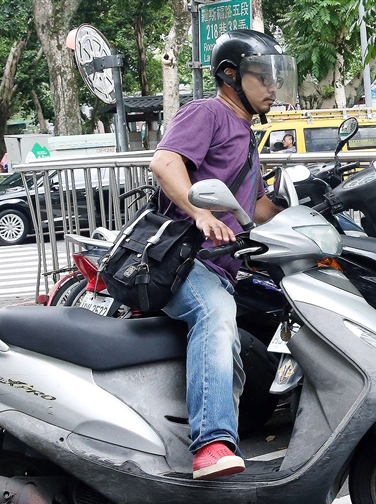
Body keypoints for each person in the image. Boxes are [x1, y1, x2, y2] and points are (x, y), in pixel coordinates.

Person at [149, 30, 297, 480]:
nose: (272, 88)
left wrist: (302, 197)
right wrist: (197, 212)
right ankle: (211, 445)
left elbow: (252, 212)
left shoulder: (247, 134)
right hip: (185, 261)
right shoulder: (208, 111)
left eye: (276, 79)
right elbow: (164, 162)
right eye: (262, 78)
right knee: (214, 316)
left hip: (222, 264)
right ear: (231, 75)